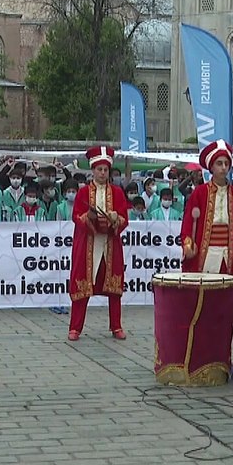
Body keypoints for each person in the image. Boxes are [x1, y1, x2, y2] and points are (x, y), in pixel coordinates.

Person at [67, 146, 129, 341]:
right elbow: (76, 217)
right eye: (99, 169)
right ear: (93, 170)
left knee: (114, 287)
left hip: (110, 243)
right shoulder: (83, 192)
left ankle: (116, 325)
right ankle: (75, 327)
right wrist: (89, 216)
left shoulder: (118, 193)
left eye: (106, 170)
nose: (102, 173)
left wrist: (115, 218)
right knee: (83, 285)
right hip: (88, 243)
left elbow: (125, 219)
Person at [181, 140, 233, 274]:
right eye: (219, 163)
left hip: (229, 253)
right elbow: (187, 224)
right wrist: (188, 245)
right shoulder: (200, 192)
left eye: (226, 164)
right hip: (207, 253)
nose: (223, 167)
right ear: (211, 167)